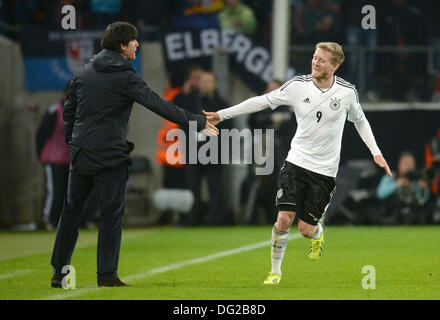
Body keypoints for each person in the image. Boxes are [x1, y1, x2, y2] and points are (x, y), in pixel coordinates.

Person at [204, 42, 392, 285]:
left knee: (305, 228)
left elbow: (360, 121)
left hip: (324, 171)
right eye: (314, 57)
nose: (315, 62)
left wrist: (375, 152)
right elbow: (262, 101)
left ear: (334, 66)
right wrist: (222, 114)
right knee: (284, 218)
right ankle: (275, 272)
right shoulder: (297, 86)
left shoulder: (346, 92)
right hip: (296, 162)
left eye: (322, 60)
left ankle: (318, 233)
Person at [50, 22, 218, 288]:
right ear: (122, 46)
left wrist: (75, 144)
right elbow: (157, 104)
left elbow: (68, 114)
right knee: (110, 215)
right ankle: (106, 276)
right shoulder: (125, 75)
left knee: (71, 212)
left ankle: (59, 272)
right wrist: (195, 121)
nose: (137, 44)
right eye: (133, 40)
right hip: (110, 155)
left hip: (82, 153)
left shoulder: (82, 73)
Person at [36, 86, 71, 231]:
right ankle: (48, 220)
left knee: (66, 192)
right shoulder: (54, 111)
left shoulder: (78, 111)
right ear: (64, 94)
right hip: (53, 158)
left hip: (69, 160)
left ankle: (62, 222)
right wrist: (41, 155)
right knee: (54, 191)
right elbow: (41, 134)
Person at [377, 151, 430, 224]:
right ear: (399, 165)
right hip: (393, 214)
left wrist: (423, 189)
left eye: (410, 163)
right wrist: (397, 184)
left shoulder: (418, 180)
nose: (408, 166)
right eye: (405, 163)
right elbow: (380, 194)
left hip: (414, 215)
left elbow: (422, 201)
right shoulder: (391, 176)